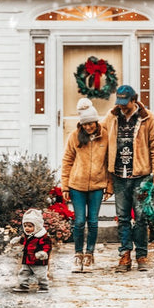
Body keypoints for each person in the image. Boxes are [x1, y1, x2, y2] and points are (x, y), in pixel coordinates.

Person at [103, 83, 154, 273]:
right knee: (122, 218)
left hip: (141, 176)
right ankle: (125, 255)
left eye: (125, 102)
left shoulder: (148, 118)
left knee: (140, 218)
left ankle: (142, 255)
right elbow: (101, 142)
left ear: (134, 100)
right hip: (119, 176)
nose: (121, 106)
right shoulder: (112, 118)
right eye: (119, 102)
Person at [61, 97, 113, 273]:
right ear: (81, 124)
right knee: (79, 221)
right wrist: (65, 186)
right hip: (77, 186)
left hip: (98, 185)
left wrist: (109, 185)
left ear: (96, 121)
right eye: (85, 124)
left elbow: (109, 161)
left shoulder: (105, 135)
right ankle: (78, 255)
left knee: (93, 221)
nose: (89, 127)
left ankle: (89, 255)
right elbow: (67, 160)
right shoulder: (74, 136)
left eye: (91, 123)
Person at [11, 208, 52, 293]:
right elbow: (24, 242)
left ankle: (44, 286)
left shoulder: (43, 237)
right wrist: (18, 240)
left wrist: (43, 253)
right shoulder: (27, 235)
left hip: (39, 261)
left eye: (30, 226)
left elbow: (47, 246)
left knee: (41, 275)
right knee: (23, 273)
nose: (27, 228)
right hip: (27, 259)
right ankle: (23, 285)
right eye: (25, 226)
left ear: (37, 226)